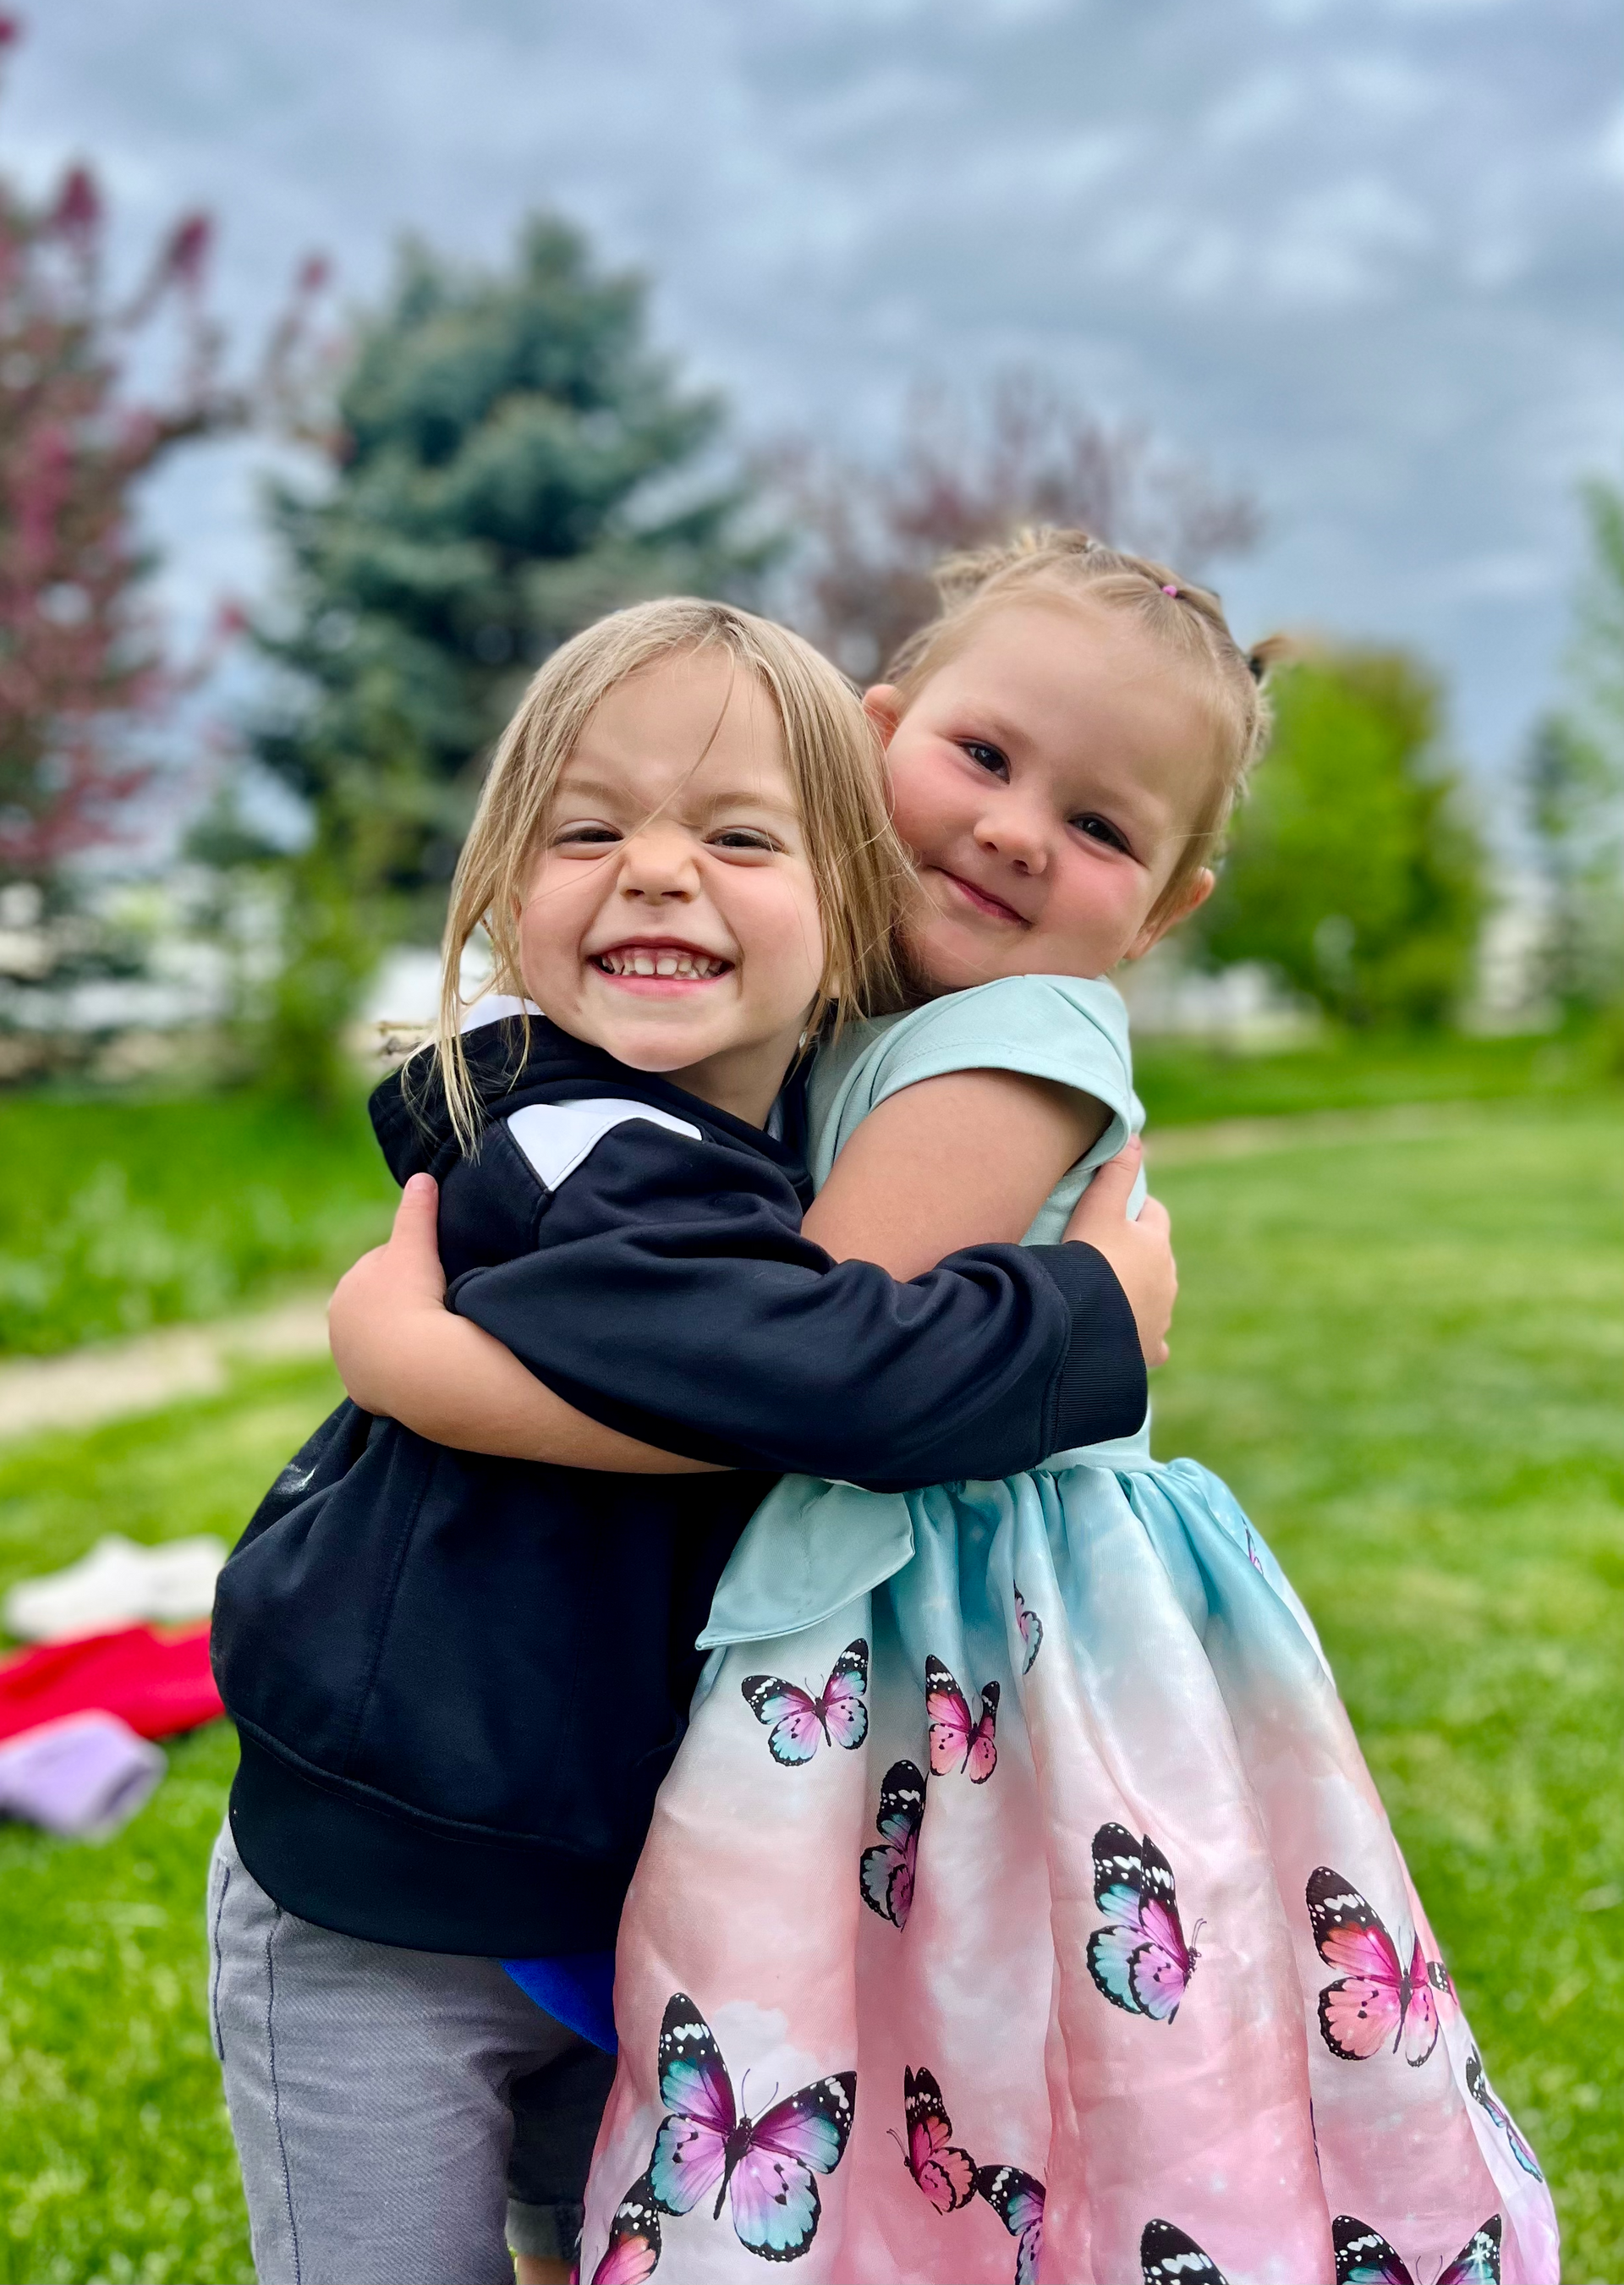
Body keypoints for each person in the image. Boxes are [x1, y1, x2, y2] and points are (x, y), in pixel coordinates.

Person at [343, 535, 1560, 2284]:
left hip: (976, 1636)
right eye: (983, 761)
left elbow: (791, 1375)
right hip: (878, 1609)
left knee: (953, 2042)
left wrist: (423, 1367)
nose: (1010, 831)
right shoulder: (818, 996)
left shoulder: (1021, 1038)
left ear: (1162, 912)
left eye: (1099, 828)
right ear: (873, 734)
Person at [209, 594, 1172, 2285]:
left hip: (616, 1873)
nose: (657, 870)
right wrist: (1088, 1320)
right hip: (388, 1898)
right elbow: (824, 1376)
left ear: (849, 891)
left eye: (737, 836)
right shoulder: (568, 1141)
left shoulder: (763, 1147)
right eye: (589, 831)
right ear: (509, 885)